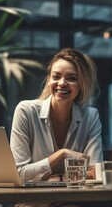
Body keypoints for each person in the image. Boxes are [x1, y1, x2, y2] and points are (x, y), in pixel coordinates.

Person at [10, 48, 103, 182]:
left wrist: (58, 178)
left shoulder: (90, 116)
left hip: (73, 198)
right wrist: (61, 154)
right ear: (49, 80)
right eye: (56, 76)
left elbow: (95, 172)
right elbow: (19, 174)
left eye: (71, 78)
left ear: (81, 84)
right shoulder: (26, 111)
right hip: (34, 200)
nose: (62, 83)